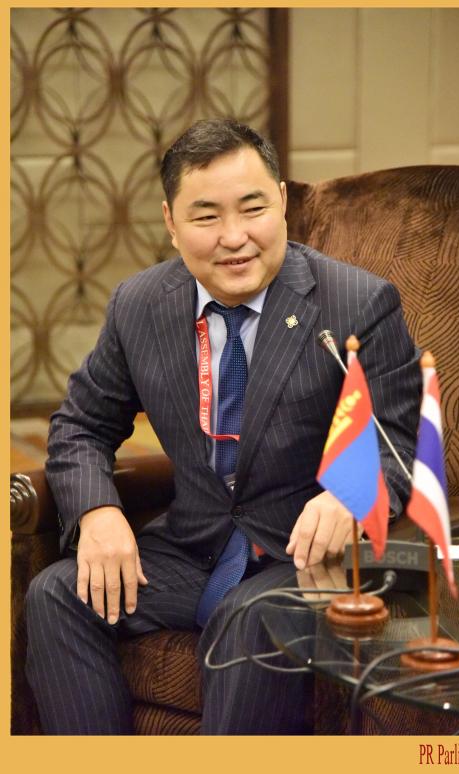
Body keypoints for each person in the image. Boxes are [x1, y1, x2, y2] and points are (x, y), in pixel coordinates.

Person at [25, 119, 421, 735]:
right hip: (196, 546)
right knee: (56, 594)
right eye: (206, 216)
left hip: (302, 556)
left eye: (253, 209)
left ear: (281, 202)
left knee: (248, 617)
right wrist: (97, 511)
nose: (234, 238)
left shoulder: (357, 303)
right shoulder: (141, 305)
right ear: (171, 222)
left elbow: (396, 445)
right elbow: (80, 424)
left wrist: (349, 493)